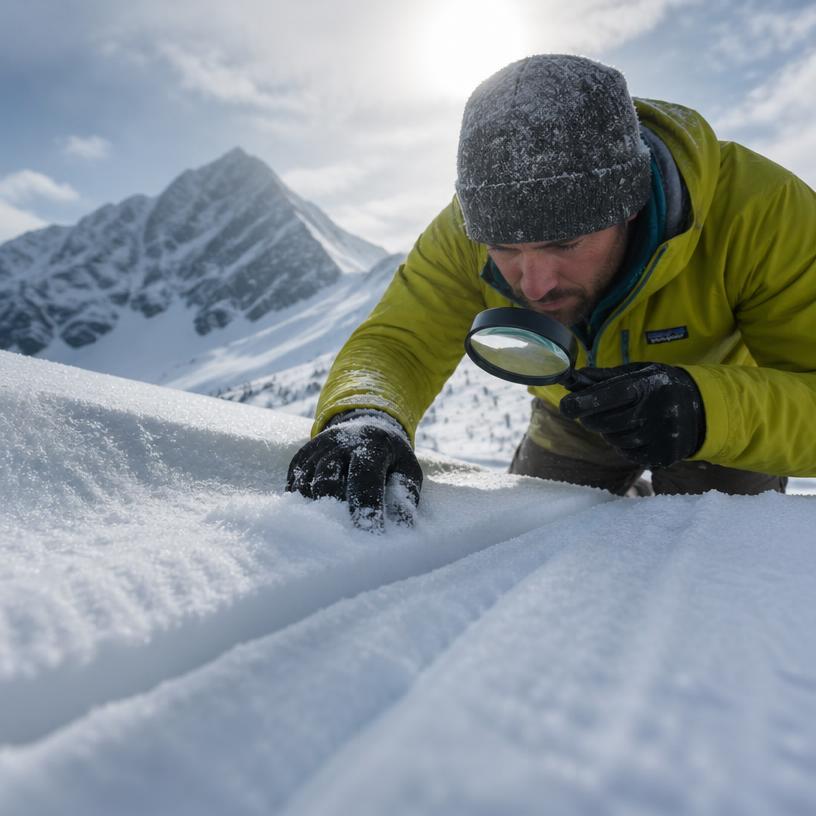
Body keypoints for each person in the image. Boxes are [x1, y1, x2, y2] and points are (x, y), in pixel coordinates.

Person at [287, 54, 816, 531]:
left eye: (566, 242)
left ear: (629, 206)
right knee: (527, 537)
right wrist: (365, 415)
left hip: (721, 414)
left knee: (721, 556)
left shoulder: (761, 213)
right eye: (504, 249)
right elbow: (401, 341)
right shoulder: (464, 230)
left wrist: (707, 409)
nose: (533, 285)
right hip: (573, 415)